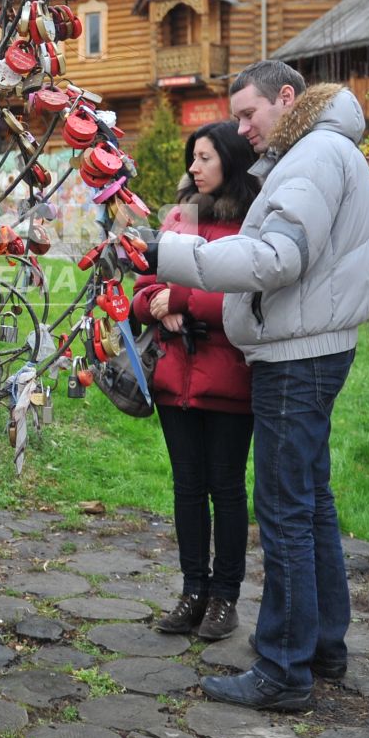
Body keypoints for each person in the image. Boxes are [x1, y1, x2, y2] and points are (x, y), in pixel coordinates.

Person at [138, 60, 369, 712]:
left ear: (289, 98)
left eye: (249, 114)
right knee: (310, 500)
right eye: (236, 116)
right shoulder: (319, 150)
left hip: (296, 357)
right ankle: (322, 647)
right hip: (307, 347)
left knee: (284, 509)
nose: (242, 129)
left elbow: (278, 258)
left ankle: (282, 668)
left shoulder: (313, 156)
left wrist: (168, 254)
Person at [131, 121, 260, 644]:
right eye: (192, 157)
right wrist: (155, 307)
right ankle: (192, 591)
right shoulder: (178, 218)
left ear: (229, 160)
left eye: (204, 157)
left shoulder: (253, 221)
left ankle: (225, 596)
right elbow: (142, 287)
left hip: (228, 377)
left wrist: (179, 300)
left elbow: (246, 294)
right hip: (174, 378)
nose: (193, 167)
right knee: (187, 487)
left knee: (226, 488)